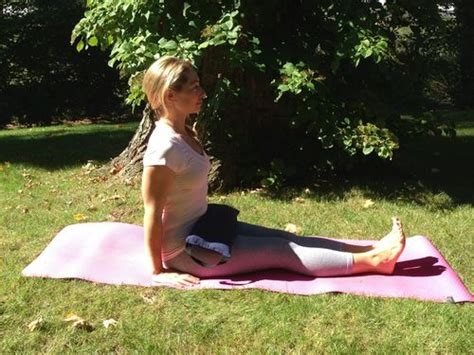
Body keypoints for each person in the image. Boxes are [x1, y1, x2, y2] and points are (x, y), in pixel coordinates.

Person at [141, 55, 406, 289]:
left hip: (204, 226)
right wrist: (158, 271)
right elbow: (152, 211)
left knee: (286, 236)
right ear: (170, 96)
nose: (203, 92)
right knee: (283, 251)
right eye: (194, 87)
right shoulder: (165, 146)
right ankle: (376, 261)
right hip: (186, 250)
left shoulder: (185, 132)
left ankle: (371, 248)